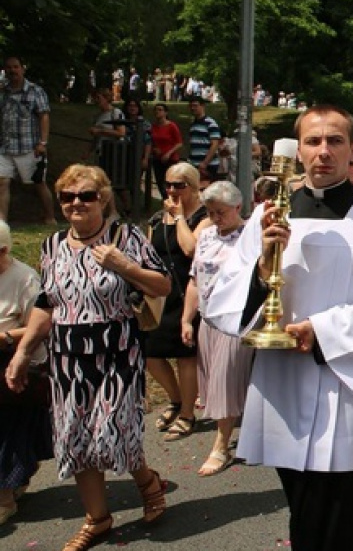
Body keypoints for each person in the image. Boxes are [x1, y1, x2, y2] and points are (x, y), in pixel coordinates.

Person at [203, 107, 353, 550]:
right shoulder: (269, 214)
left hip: (343, 379)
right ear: (298, 151)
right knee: (303, 507)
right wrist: (263, 266)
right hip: (282, 380)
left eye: (335, 141)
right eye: (314, 141)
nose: (324, 151)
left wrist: (320, 331)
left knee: (347, 511)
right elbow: (224, 299)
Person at [5, 165, 171, 550]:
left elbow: (162, 284)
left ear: (103, 198)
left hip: (117, 351)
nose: (76, 203)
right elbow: (46, 306)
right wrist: (22, 353)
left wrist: (124, 266)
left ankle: (147, 481)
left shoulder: (124, 237)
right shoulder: (52, 246)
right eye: (67, 197)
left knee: (116, 429)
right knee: (78, 439)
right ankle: (97, 519)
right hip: (68, 357)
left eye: (86, 195)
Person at [180, 181, 253, 476]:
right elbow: (195, 279)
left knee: (225, 380)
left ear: (237, 207)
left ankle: (221, 445)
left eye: (221, 212)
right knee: (212, 380)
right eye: (210, 212)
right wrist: (187, 318)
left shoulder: (250, 236)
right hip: (208, 319)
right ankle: (249, 428)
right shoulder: (207, 235)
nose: (215, 217)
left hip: (235, 321)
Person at [146, 162, 208, 442]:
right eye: (168, 185)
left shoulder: (204, 217)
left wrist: (181, 218)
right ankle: (174, 399)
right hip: (161, 294)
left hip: (189, 293)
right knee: (151, 353)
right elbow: (149, 252)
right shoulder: (158, 218)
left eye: (179, 185)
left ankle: (187, 413)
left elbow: (191, 249)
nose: (172, 190)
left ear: (194, 187)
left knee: (185, 357)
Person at [0, 219, 52, 525]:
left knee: (6, 430)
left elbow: (40, 325)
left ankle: (5, 499)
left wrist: (6, 338)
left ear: (3, 250)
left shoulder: (25, 279)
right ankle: (13, 482)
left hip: (15, 364)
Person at [0, 56, 55, 224]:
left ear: (22, 69)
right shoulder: (3, 92)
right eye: (9, 68)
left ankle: (50, 217)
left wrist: (43, 143)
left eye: (16, 67)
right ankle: (2, 221)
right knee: (2, 182)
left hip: (29, 147)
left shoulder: (35, 91)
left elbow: (44, 116)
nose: (12, 71)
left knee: (38, 184)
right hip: (5, 147)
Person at [148, 103, 184, 199]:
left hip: (170, 158)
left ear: (165, 112)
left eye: (160, 110)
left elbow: (179, 143)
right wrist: (154, 149)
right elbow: (150, 141)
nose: (157, 112)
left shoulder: (171, 126)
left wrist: (168, 153)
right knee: (160, 183)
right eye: (156, 110)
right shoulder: (153, 127)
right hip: (157, 159)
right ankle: (165, 201)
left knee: (170, 182)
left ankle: (173, 201)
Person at [186, 97, 222, 180]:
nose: (193, 108)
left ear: (202, 106)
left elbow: (215, 144)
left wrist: (205, 163)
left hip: (208, 165)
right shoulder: (193, 123)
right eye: (191, 106)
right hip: (194, 163)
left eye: (195, 106)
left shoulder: (210, 123)